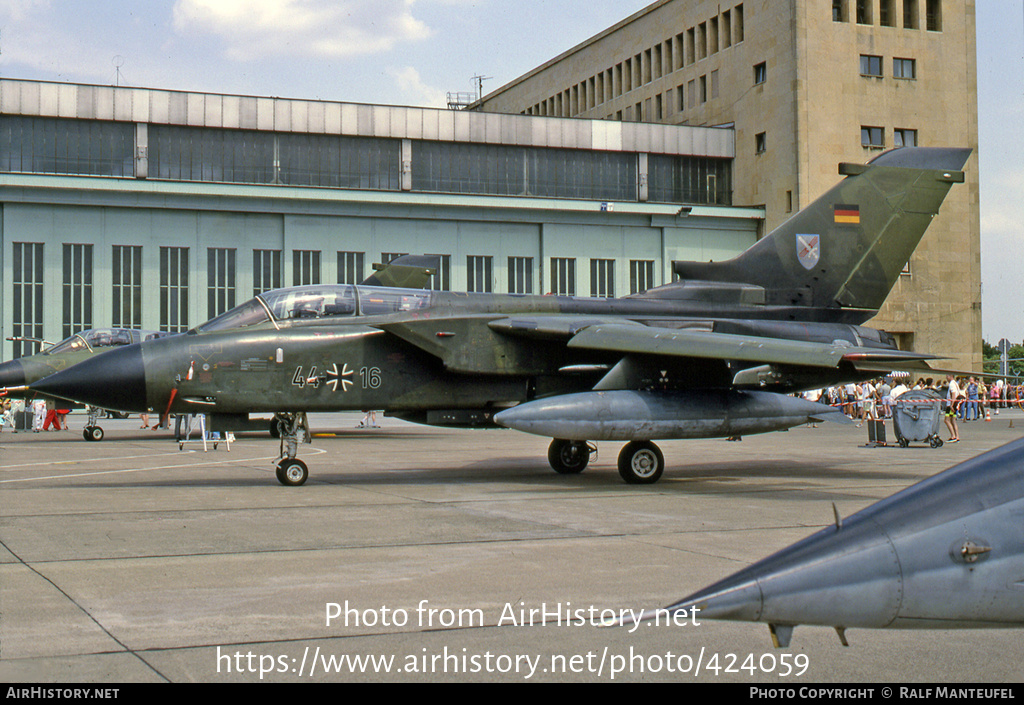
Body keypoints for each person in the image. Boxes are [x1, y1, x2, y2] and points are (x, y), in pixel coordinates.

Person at [943, 374, 961, 443]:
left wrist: (951, 405)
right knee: (953, 421)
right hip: (955, 405)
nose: (946, 378)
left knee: (946, 420)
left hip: (950, 405)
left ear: (951, 376)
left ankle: (953, 436)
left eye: (947, 376)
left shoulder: (951, 384)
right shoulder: (955, 383)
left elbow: (953, 394)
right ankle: (957, 436)